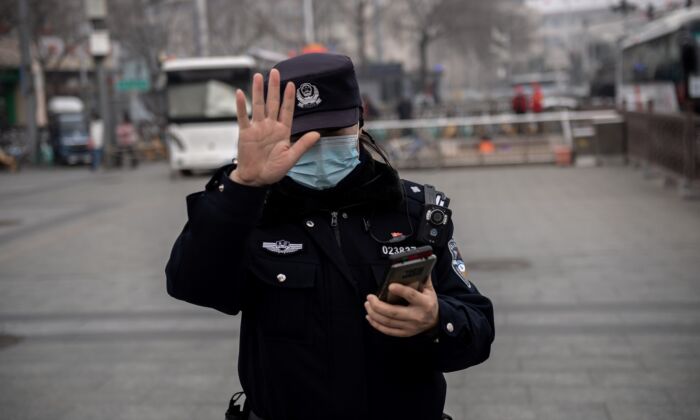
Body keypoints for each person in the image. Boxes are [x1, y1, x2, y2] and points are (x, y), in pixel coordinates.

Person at [165, 53, 494, 420]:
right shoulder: (253, 215)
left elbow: (478, 329)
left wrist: (436, 319)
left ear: (359, 121)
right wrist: (242, 188)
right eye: (301, 136)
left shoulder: (414, 211)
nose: (316, 146)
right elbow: (191, 284)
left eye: (331, 132)